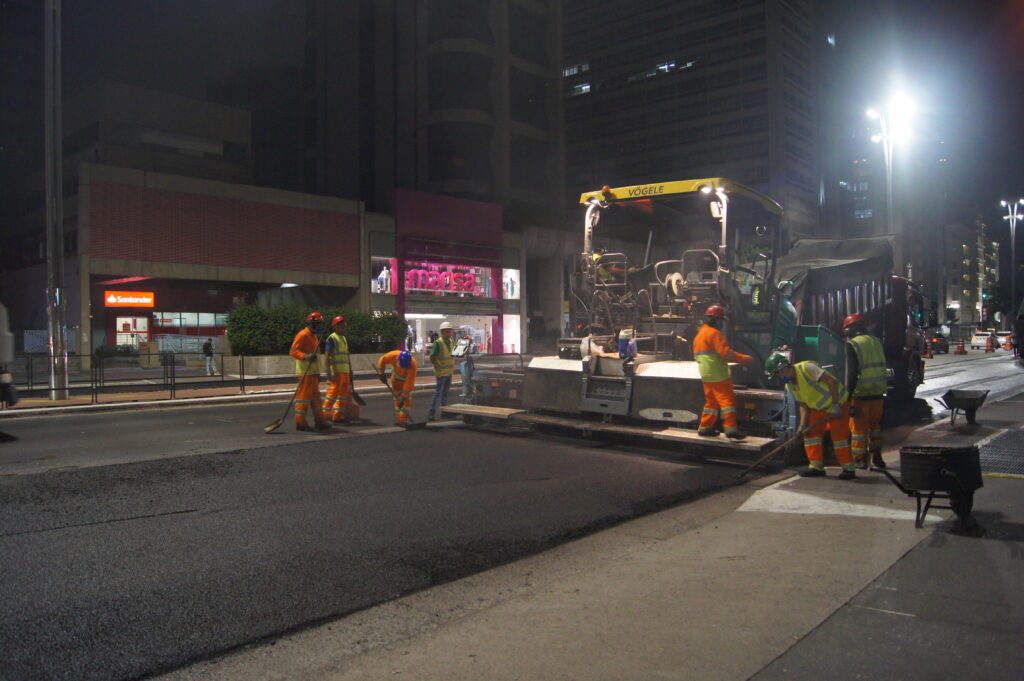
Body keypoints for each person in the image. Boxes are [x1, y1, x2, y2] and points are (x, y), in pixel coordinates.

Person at [765, 352, 856, 480]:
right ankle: (816, 467)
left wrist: (835, 405)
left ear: (783, 368)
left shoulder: (807, 368)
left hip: (838, 404)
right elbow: (803, 406)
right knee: (810, 436)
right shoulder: (790, 385)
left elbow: (832, 381)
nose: (778, 377)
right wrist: (802, 425)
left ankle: (848, 469)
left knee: (839, 439)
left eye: (777, 374)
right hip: (817, 409)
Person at [692, 305, 751, 439]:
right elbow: (726, 354)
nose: (721, 324)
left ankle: (705, 428)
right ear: (714, 320)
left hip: (706, 374)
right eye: (720, 321)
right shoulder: (715, 333)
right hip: (718, 374)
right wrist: (745, 359)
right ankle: (731, 430)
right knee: (727, 401)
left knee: (711, 402)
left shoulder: (700, 334)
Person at [843, 313, 887, 470]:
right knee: (875, 427)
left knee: (858, 430)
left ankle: (860, 459)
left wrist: (847, 397)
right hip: (879, 394)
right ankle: (877, 457)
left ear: (851, 330)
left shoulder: (852, 344)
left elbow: (852, 373)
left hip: (861, 395)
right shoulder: (876, 342)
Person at [289, 312, 331, 432]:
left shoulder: (314, 336)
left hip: (313, 372)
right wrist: (306, 357)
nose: (320, 327)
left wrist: (318, 373)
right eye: (318, 324)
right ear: (312, 324)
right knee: (303, 398)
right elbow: (293, 351)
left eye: (321, 324)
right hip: (305, 373)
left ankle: (319, 421)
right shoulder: (302, 335)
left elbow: (316, 356)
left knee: (316, 399)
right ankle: (300, 423)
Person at [322, 315, 360, 423]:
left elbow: (346, 356)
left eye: (344, 325)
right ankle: (323, 416)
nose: (344, 327)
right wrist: (328, 372)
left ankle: (338, 416)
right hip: (337, 372)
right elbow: (327, 356)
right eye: (341, 325)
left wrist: (350, 370)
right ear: (335, 327)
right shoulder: (332, 338)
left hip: (345, 372)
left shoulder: (343, 339)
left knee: (342, 395)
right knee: (332, 394)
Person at [377, 345, 418, 426]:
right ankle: (401, 420)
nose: (403, 369)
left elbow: (409, 382)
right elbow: (382, 360)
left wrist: (404, 396)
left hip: (406, 382)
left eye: (405, 367)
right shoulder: (393, 355)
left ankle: (404, 420)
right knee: (397, 400)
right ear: (398, 359)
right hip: (395, 381)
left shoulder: (413, 365)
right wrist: (381, 373)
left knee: (406, 401)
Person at [427, 321, 456, 421]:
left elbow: (452, 354)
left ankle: (444, 411)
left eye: (450, 331)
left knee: (445, 393)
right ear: (442, 332)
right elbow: (432, 357)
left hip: (449, 372)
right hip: (441, 372)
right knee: (437, 393)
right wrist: (437, 365)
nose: (449, 333)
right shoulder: (438, 343)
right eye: (447, 331)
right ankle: (432, 412)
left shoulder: (451, 342)